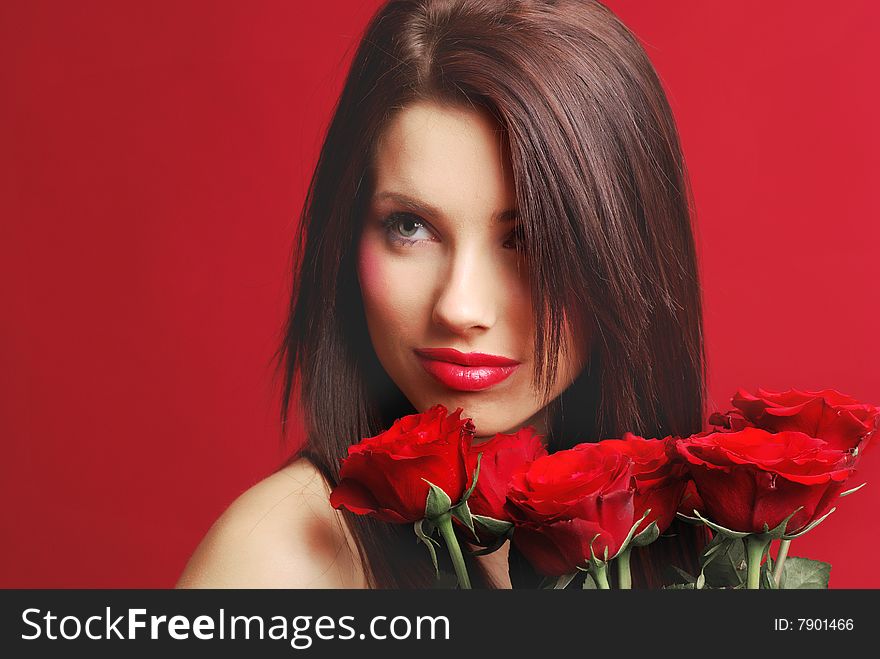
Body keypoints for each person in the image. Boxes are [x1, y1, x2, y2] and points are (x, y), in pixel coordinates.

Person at [177, 0, 707, 589]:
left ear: (628, 255)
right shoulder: (278, 566)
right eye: (410, 226)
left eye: (531, 237)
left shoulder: (671, 543)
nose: (459, 308)